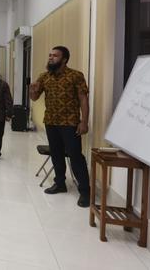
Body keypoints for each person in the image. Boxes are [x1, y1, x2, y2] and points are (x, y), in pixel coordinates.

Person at [29, 46, 91, 208]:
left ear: (64, 59)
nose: (51, 58)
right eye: (50, 55)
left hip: (70, 123)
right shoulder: (44, 77)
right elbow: (35, 98)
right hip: (51, 121)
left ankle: (85, 191)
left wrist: (84, 121)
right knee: (56, 154)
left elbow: (83, 99)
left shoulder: (76, 76)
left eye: (55, 56)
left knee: (75, 156)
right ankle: (60, 183)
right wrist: (32, 91)